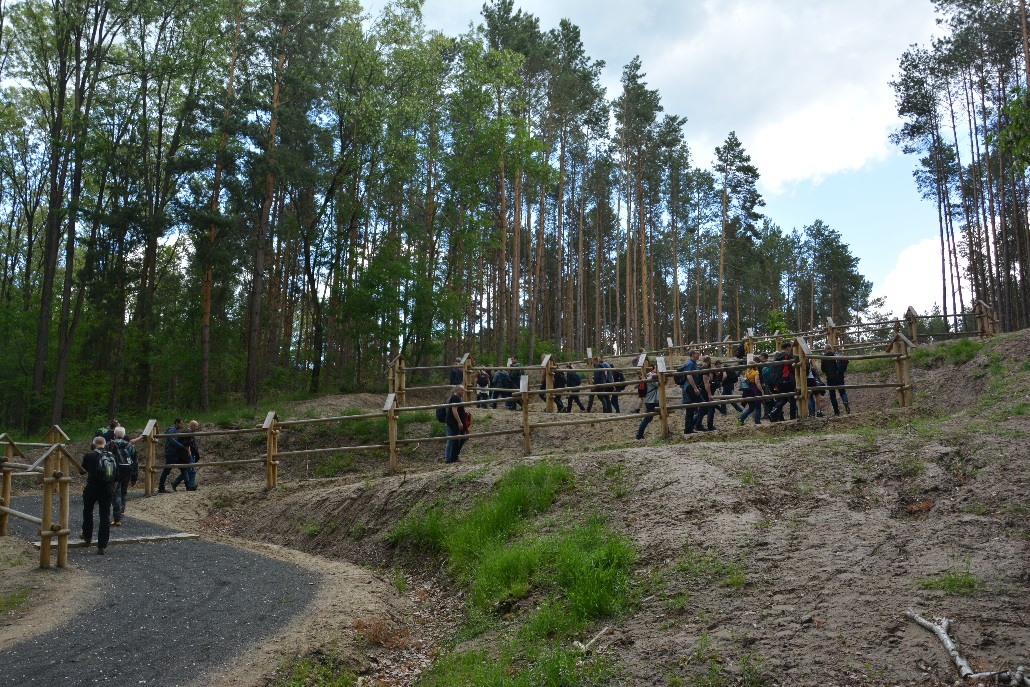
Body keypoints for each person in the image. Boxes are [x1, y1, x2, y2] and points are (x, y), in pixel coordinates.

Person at [81, 436, 114, 555]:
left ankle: (87, 535)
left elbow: (82, 471)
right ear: (104, 444)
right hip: (107, 488)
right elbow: (116, 475)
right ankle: (102, 546)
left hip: (92, 487)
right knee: (105, 516)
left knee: (88, 510)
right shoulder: (111, 455)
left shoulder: (90, 455)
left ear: (94, 444)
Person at [108, 426, 138, 526]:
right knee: (123, 492)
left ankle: (117, 517)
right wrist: (134, 477)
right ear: (124, 435)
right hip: (127, 470)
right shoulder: (129, 446)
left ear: (115, 434)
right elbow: (134, 462)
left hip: (115, 471)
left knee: (116, 493)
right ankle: (122, 511)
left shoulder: (110, 444)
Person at [158, 418, 190, 493]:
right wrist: (182, 446)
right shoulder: (172, 430)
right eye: (181, 424)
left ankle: (183, 484)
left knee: (183, 468)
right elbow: (173, 441)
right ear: (177, 423)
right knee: (167, 470)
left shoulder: (174, 430)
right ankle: (161, 487)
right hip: (171, 452)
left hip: (174, 452)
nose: (182, 425)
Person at [769, 344, 798, 422]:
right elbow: (792, 368)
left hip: (779, 381)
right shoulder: (787, 357)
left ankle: (774, 412)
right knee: (792, 398)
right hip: (787, 379)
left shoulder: (777, 358)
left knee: (784, 398)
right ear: (788, 348)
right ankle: (792, 416)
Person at [676, 350, 703, 434]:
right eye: (697, 353)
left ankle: (689, 428)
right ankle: (691, 426)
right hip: (689, 387)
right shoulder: (690, 364)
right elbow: (689, 376)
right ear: (692, 354)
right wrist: (695, 388)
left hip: (689, 387)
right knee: (702, 405)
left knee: (691, 408)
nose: (698, 355)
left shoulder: (692, 363)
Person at [820, 345, 851, 415]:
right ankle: (845, 402)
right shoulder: (836, 355)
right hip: (839, 376)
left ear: (825, 350)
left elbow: (822, 369)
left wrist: (828, 372)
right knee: (842, 391)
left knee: (832, 394)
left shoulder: (823, 357)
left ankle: (836, 412)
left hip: (830, 378)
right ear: (831, 349)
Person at [173, 420, 201, 492]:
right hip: (189, 454)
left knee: (189, 470)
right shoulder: (188, 432)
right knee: (191, 470)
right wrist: (189, 453)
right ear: (191, 425)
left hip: (191, 454)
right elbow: (187, 444)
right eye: (196, 426)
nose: (197, 428)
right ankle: (190, 485)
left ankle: (177, 483)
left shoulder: (189, 433)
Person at [635, 364, 661, 440]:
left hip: (652, 399)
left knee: (663, 413)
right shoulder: (652, 376)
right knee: (648, 418)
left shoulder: (650, 374)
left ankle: (667, 430)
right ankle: (639, 435)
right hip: (651, 400)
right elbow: (659, 384)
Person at [444, 384, 467, 464]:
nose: (463, 392)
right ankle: (450, 458)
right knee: (453, 440)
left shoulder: (455, 398)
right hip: (453, 423)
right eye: (462, 390)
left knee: (458, 439)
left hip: (453, 422)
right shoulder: (455, 398)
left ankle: (453, 456)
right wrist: (459, 422)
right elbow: (454, 410)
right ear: (457, 390)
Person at [697, 356, 716, 431]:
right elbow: (706, 382)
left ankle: (697, 423)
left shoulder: (700, 368)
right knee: (710, 407)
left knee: (703, 408)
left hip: (702, 390)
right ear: (709, 361)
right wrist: (709, 394)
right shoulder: (704, 369)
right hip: (704, 391)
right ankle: (709, 425)